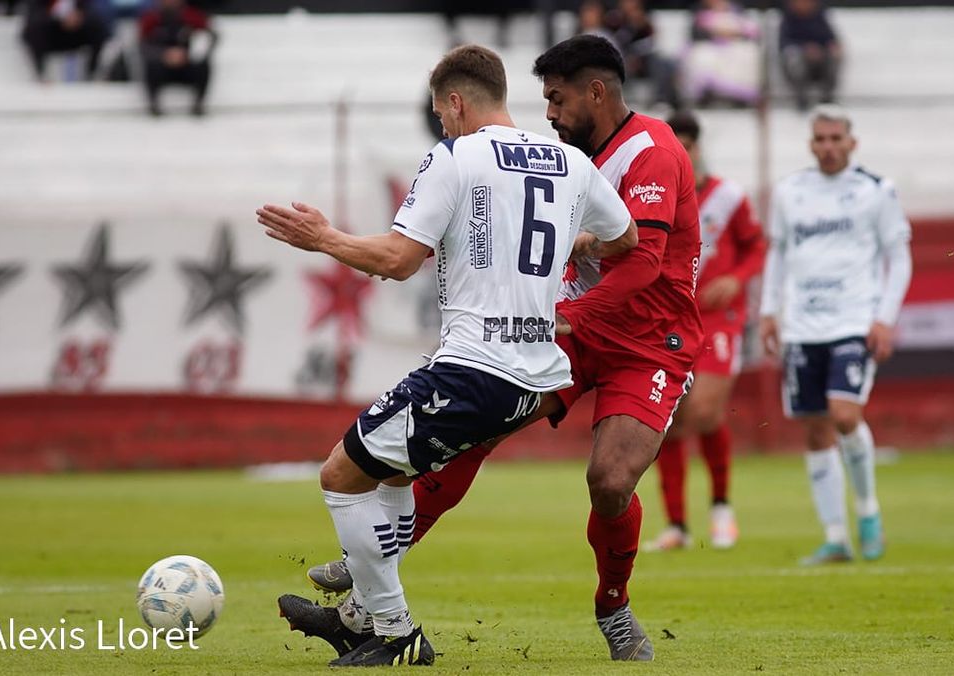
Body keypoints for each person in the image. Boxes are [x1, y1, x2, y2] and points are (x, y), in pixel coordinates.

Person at [292, 34, 703, 663]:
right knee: (460, 443)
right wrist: (577, 262)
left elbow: (644, 262)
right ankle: (366, 601)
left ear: (597, 92)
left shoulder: (653, 151)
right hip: (559, 336)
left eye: (558, 99)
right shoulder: (566, 156)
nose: (550, 114)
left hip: (643, 341)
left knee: (611, 480)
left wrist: (565, 307)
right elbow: (599, 238)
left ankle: (613, 605)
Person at [759, 105, 912, 565]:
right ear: (811, 145)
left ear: (852, 143)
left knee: (845, 415)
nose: (827, 147)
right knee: (814, 427)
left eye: (835, 139)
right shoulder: (790, 192)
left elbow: (900, 258)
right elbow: (778, 253)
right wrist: (769, 310)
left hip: (852, 320)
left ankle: (868, 513)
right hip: (803, 324)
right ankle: (835, 537)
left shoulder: (875, 191)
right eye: (820, 140)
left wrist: (884, 317)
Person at [643, 110, 765, 552]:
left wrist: (737, 278)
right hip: (671, 318)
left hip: (718, 318)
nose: (683, 155)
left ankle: (721, 507)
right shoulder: (654, 198)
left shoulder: (728, 197)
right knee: (669, 420)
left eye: (688, 146)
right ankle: (677, 525)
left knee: (707, 412)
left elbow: (755, 244)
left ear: (697, 148)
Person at [139, 0, 217, 116]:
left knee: (203, 65)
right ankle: (154, 104)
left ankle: (198, 104)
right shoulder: (151, 18)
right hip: (162, 65)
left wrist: (188, 54)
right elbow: (142, 45)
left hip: (187, 64)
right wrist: (164, 54)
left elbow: (210, 38)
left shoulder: (193, 16)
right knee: (151, 65)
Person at [679, 0, 762, 107]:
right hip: (709, 46)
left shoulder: (737, 10)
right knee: (702, 56)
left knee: (748, 53)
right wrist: (714, 32)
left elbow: (750, 32)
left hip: (734, 46)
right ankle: (706, 93)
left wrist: (733, 33)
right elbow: (695, 34)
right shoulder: (700, 11)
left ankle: (740, 95)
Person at [21, 0, 111, 82]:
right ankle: (41, 75)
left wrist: (78, 18)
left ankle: (92, 73)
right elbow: (32, 17)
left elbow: (92, 12)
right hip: (51, 34)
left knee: (98, 27)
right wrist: (60, 19)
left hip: (77, 33)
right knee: (35, 30)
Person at [778, 0, 841, 111]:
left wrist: (832, 46)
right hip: (799, 64)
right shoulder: (788, 20)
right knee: (794, 58)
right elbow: (784, 44)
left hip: (820, 63)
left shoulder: (819, 18)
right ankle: (801, 99)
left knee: (834, 55)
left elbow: (830, 39)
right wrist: (804, 48)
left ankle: (827, 98)